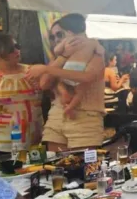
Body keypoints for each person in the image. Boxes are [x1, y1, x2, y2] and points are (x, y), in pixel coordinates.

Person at [26, 14, 106, 151]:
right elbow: (44, 84)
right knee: (55, 166)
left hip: (85, 117)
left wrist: (47, 69)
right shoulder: (59, 57)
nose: (56, 39)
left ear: (70, 33)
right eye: (53, 37)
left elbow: (87, 77)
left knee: (83, 167)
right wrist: (63, 57)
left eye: (60, 34)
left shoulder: (94, 53)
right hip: (57, 114)